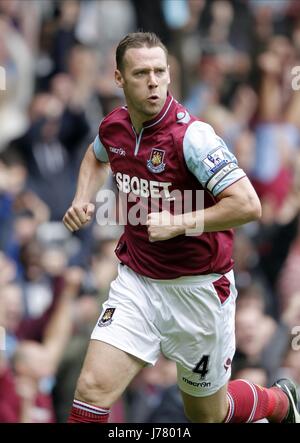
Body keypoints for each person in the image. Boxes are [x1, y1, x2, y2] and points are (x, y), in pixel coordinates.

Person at [62, 32, 300, 423]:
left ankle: (279, 403)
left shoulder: (193, 137)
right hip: (137, 284)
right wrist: (81, 198)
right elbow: (95, 154)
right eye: (141, 73)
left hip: (198, 292)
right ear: (119, 79)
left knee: (208, 415)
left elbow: (248, 204)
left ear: (170, 74)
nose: (153, 81)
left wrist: (180, 222)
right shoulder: (115, 127)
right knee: (91, 390)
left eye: (160, 71)